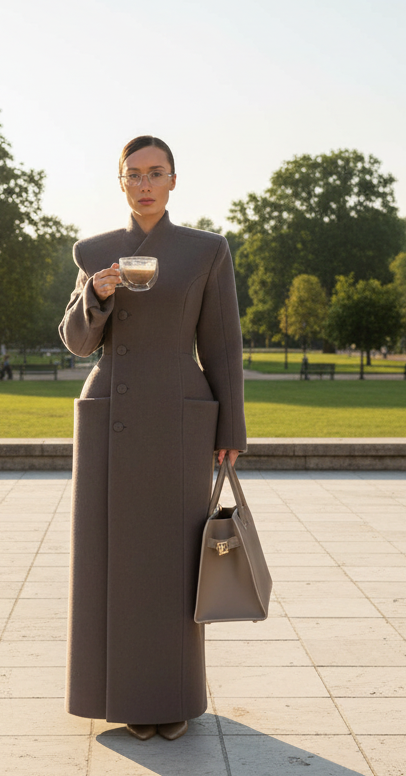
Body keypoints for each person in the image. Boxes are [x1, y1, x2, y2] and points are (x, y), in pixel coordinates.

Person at [58, 136, 246, 742]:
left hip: (178, 420)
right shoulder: (95, 253)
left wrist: (231, 428)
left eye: (155, 173)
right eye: (133, 174)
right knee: (113, 562)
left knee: (172, 562)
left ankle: (173, 699)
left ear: (173, 181)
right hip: (109, 415)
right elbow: (77, 342)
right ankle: (126, 697)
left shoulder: (205, 251)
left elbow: (222, 345)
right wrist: (97, 296)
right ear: (121, 182)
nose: (144, 184)